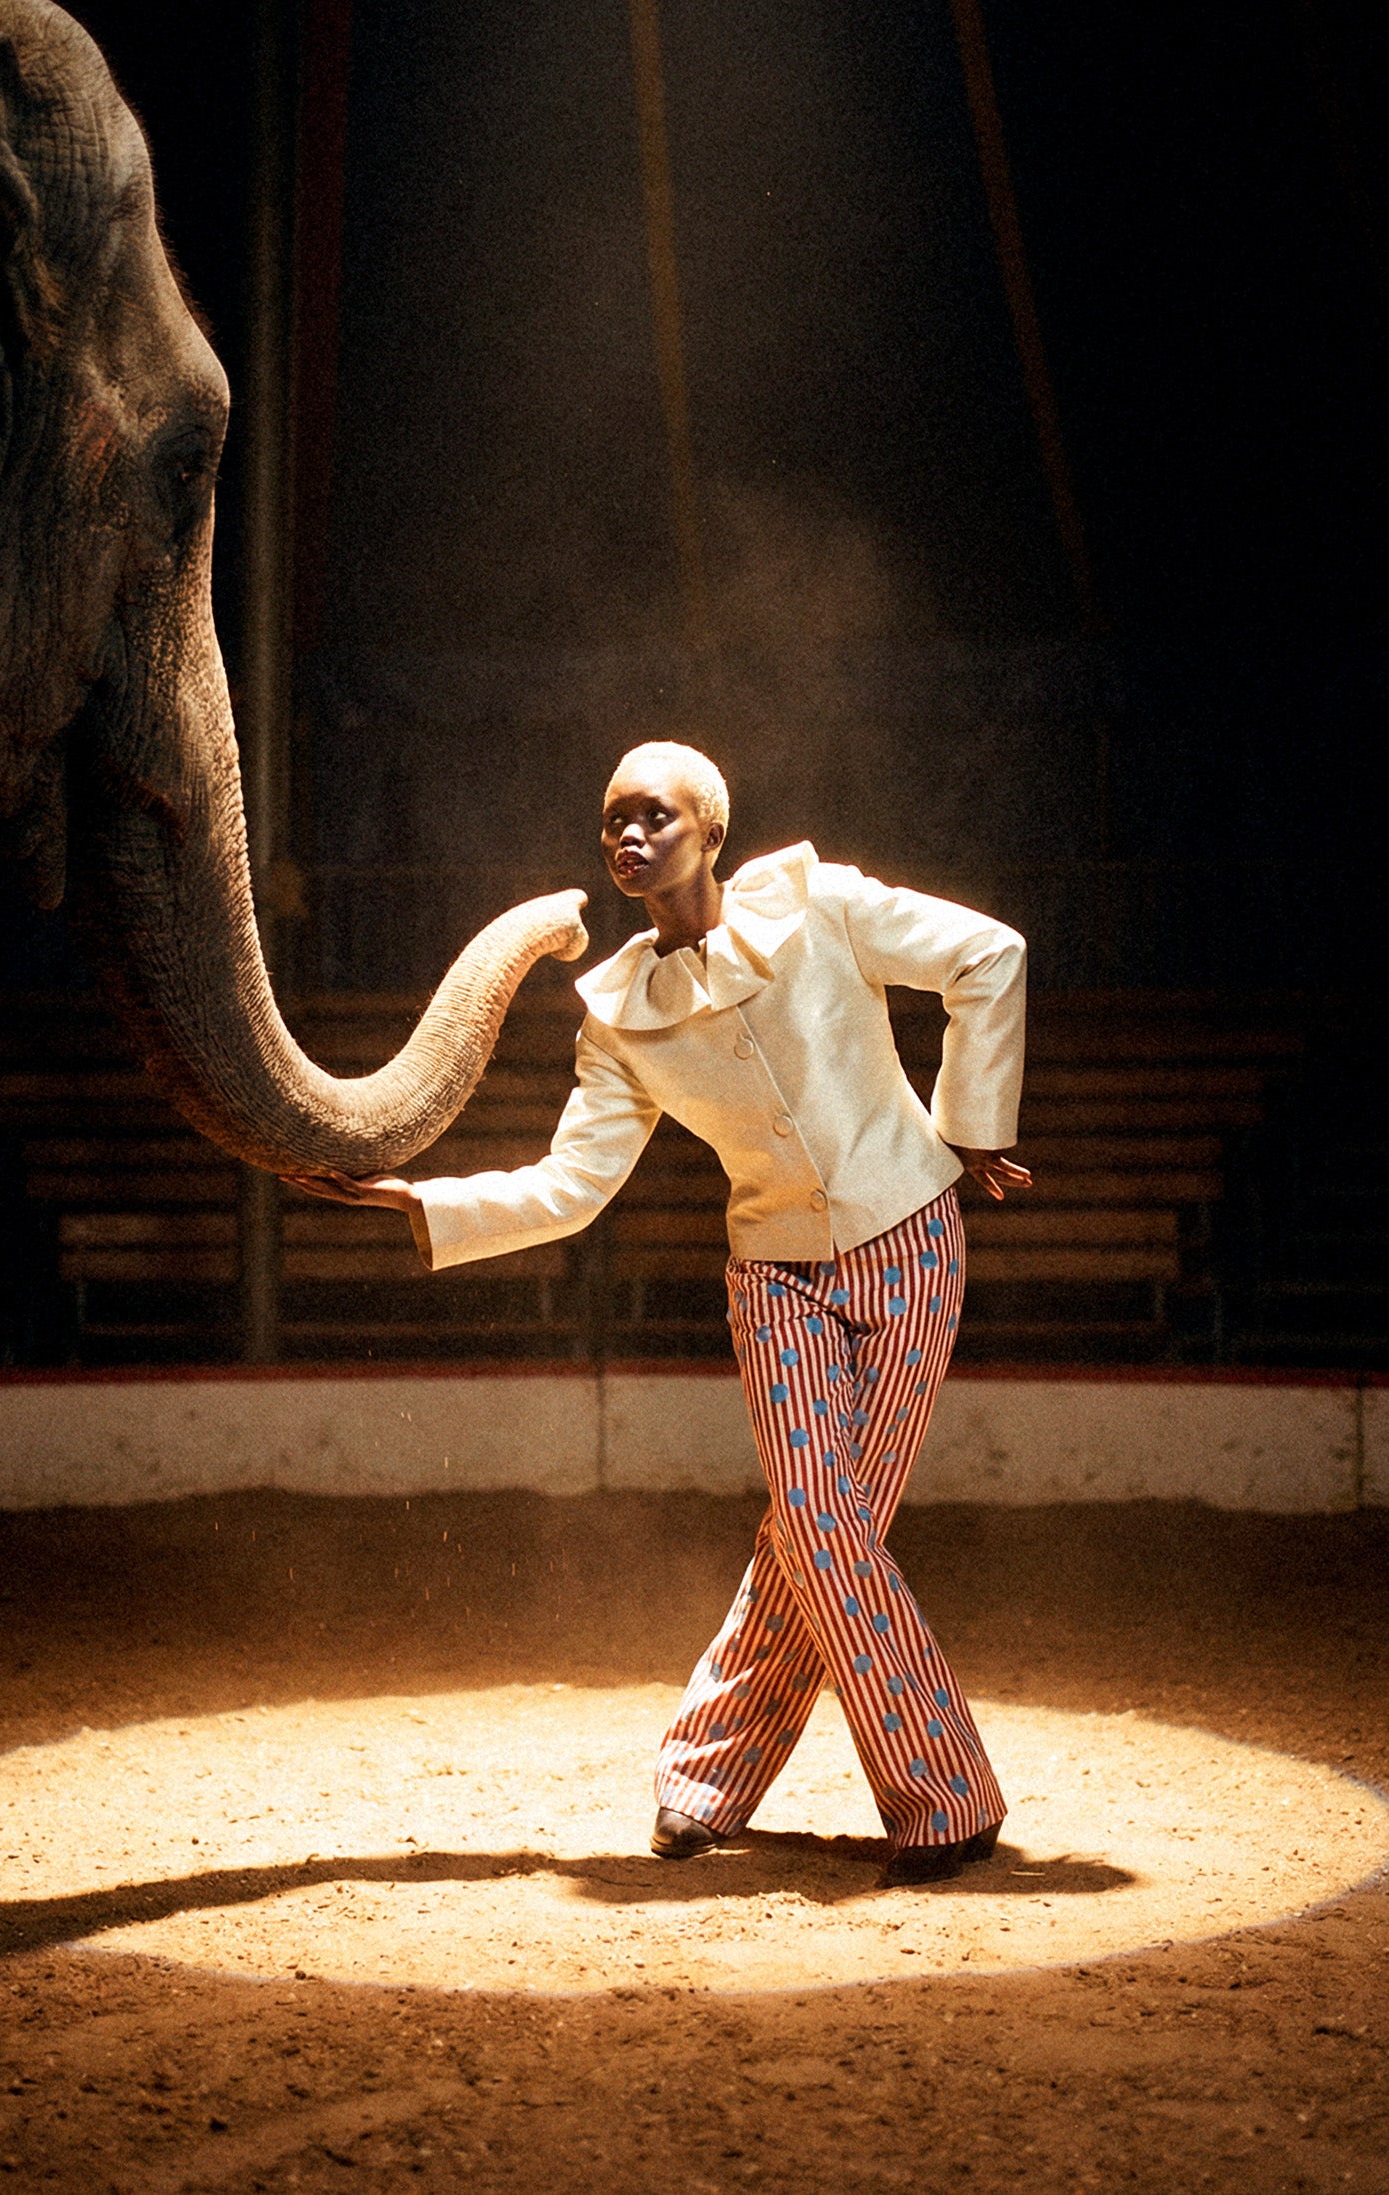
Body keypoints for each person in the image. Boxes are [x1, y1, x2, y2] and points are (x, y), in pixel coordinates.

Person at [287, 741, 1030, 1886]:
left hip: (911, 1241)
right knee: (820, 1522)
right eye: (612, 822)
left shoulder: (821, 906)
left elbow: (989, 955)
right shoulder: (619, 1014)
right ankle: (944, 1797)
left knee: (814, 1536)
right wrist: (415, 1200)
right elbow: (572, 1185)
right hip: (772, 1276)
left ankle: (704, 1774)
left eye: (654, 816)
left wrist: (971, 1123)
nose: (627, 837)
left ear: (711, 831)